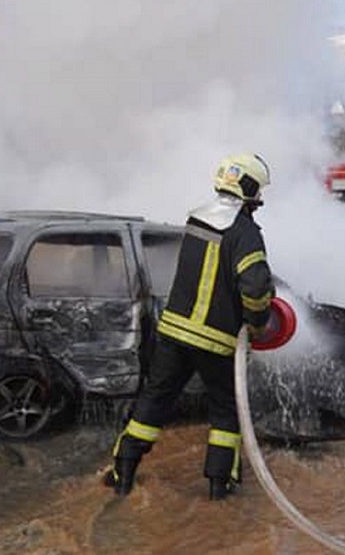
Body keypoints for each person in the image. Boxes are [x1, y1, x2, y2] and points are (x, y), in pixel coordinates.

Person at [105, 152, 275, 500]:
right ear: (247, 188)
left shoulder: (196, 219)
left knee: (154, 401)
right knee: (226, 413)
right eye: (257, 191)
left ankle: (123, 472)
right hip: (215, 341)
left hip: (174, 333)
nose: (259, 200)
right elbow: (256, 289)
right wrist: (257, 324)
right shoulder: (244, 233)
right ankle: (218, 489)